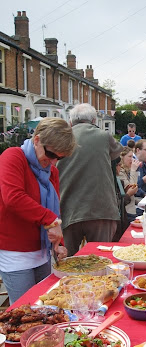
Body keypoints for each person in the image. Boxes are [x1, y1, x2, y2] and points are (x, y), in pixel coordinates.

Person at [0, 117, 76, 304]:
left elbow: (54, 211)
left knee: (44, 308)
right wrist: (50, 220)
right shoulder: (13, 157)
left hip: (42, 252)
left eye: (59, 158)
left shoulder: (53, 172)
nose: (52, 161)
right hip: (15, 253)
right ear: (37, 140)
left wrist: (60, 243)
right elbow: (14, 198)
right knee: (24, 312)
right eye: (50, 154)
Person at [57, 103, 123, 256]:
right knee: (100, 259)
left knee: (67, 262)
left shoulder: (61, 138)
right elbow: (116, 153)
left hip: (68, 208)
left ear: (71, 122)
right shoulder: (103, 136)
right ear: (94, 120)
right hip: (100, 208)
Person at [118, 147, 140, 222]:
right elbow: (132, 189)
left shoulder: (125, 171)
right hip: (128, 212)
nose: (132, 159)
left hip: (132, 209)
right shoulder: (120, 173)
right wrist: (133, 170)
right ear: (122, 157)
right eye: (130, 156)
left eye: (132, 156)